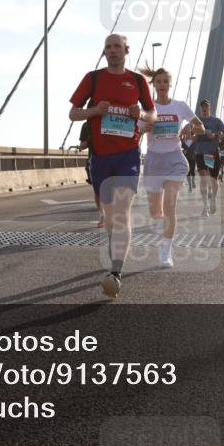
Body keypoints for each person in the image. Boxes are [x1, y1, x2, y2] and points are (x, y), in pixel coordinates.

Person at [69, 34, 156, 298]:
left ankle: (116, 271)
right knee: (110, 219)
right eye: (108, 46)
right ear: (104, 52)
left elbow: (152, 114)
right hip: (101, 158)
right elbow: (73, 113)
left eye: (117, 46)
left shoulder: (138, 81)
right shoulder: (92, 78)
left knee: (121, 212)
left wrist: (139, 114)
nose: (112, 50)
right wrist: (95, 110)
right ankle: (115, 246)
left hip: (128, 155)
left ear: (126, 50)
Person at [137, 66, 204, 268]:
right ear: (154, 85)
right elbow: (136, 134)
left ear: (170, 84)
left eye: (166, 81)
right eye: (159, 82)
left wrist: (190, 127)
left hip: (175, 160)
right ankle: (160, 225)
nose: (163, 85)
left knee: (170, 206)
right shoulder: (147, 110)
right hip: (153, 161)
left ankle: (166, 253)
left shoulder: (180, 106)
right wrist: (144, 129)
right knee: (155, 211)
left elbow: (201, 127)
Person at [192, 99, 224, 217]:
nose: (204, 108)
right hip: (200, 153)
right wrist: (195, 137)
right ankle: (205, 206)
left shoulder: (216, 121)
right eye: (202, 107)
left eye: (206, 107)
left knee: (213, 180)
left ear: (210, 108)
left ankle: (213, 198)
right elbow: (190, 137)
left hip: (211, 153)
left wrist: (215, 135)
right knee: (203, 179)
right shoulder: (196, 121)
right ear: (200, 108)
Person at [79, 121, 103, 228]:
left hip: (115, 158)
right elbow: (81, 146)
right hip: (95, 160)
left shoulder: (114, 119)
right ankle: (103, 216)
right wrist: (91, 138)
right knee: (98, 190)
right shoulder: (87, 125)